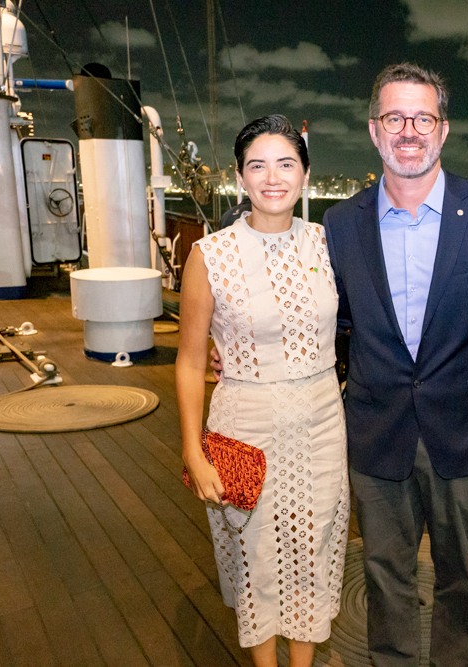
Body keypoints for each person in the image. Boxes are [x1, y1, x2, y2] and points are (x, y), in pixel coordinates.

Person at [322, 63, 468, 666]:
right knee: (385, 574)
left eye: (423, 118)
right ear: (373, 129)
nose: (409, 131)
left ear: (444, 129)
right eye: (394, 118)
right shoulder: (340, 224)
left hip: (465, 433)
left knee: (462, 576)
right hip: (378, 430)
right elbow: (327, 318)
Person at [177, 114, 349, 667]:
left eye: (286, 164)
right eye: (258, 166)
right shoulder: (210, 255)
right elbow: (189, 361)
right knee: (257, 559)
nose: (272, 178)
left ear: (305, 174)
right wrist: (192, 449)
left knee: (313, 552)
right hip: (245, 426)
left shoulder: (329, 244)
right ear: (239, 176)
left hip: (322, 424)